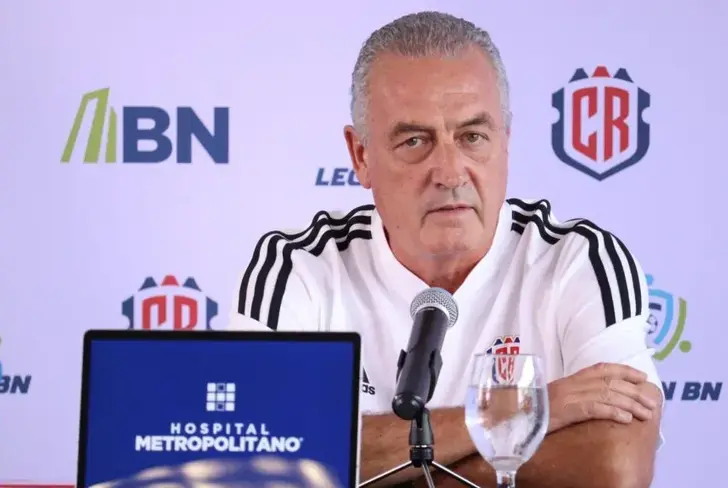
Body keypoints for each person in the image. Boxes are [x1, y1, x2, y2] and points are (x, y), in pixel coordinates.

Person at [228, 11, 663, 488]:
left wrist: (364, 462)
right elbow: (256, 457)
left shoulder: (579, 260)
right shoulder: (299, 267)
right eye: (415, 141)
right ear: (361, 156)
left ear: (505, 142)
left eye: (472, 137)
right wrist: (532, 407)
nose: (451, 172)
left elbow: (616, 468)